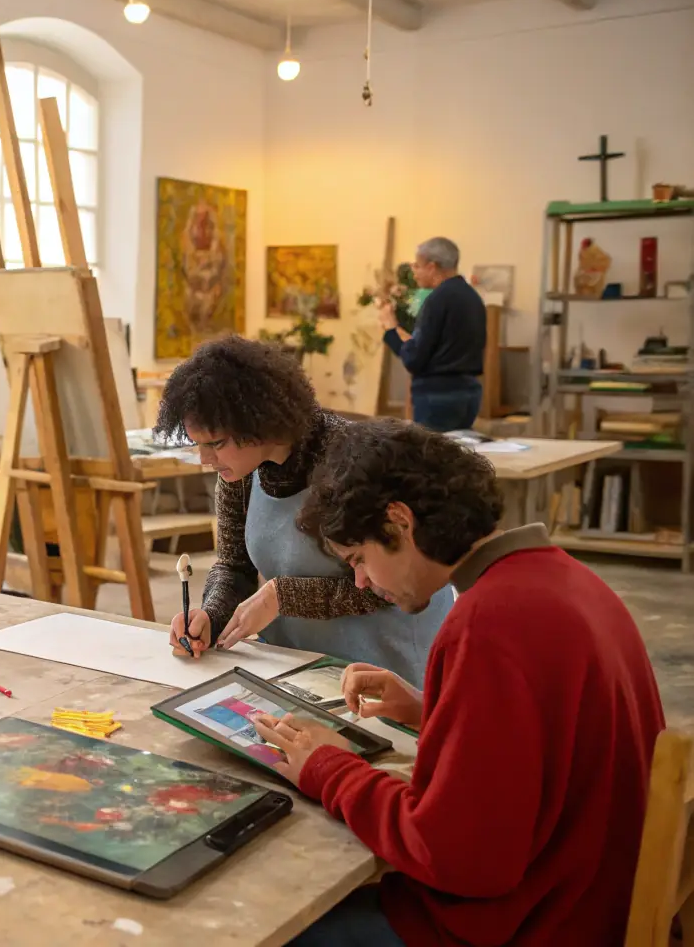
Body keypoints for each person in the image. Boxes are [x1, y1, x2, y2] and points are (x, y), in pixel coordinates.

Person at [251, 420, 664, 947]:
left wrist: (329, 770)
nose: (359, 581)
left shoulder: (486, 624)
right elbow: (551, 737)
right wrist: (437, 713)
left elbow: (458, 860)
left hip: (534, 923)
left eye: (358, 559)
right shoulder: (565, 579)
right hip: (588, 897)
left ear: (399, 522)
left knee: (271, 926)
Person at [158, 337, 452, 684]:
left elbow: (396, 582)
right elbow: (233, 565)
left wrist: (283, 595)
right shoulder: (238, 472)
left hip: (392, 666)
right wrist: (210, 614)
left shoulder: (349, 459)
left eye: (216, 444)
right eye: (199, 446)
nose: (206, 460)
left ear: (257, 423)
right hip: (304, 667)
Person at [380, 237, 486, 432]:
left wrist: (390, 329)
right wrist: (408, 340)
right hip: (468, 393)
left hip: (438, 397)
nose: (414, 272)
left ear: (431, 267)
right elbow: (444, 345)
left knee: (432, 458)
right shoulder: (472, 297)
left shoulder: (437, 299)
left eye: (417, 266)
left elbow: (415, 360)